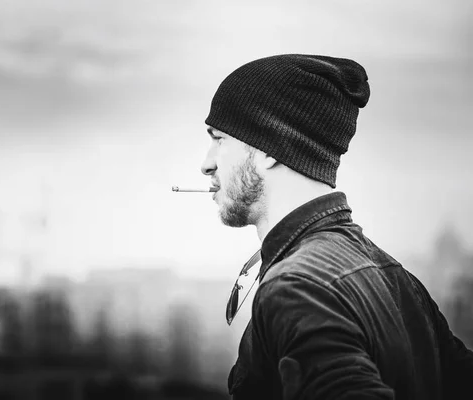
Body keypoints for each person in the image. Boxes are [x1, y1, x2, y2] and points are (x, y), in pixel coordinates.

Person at [200, 54, 473, 399]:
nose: (206, 164)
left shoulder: (297, 285)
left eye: (219, 139)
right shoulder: (396, 276)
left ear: (269, 148)